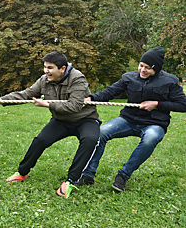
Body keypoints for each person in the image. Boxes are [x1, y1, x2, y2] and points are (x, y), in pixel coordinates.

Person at [0, 51, 100, 198]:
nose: (46, 71)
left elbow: (75, 106)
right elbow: (25, 94)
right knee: (40, 140)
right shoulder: (44, 80)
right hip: (61, 120)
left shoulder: (78, 78)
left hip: (85, 119)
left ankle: (70, 181)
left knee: (89, 140)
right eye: (45, 67)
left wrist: (47, 105)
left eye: (50, 68)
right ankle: (22, 173)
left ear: (62, 69)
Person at [79, 47, 186, 192]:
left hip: (154, 123)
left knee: (150, 138)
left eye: (148, 68)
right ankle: (87, 175)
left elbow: (183, 104)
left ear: (157, 69)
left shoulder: (170, 81)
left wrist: (157, 104)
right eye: (141, 65)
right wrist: (91, 98)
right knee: (101, 132)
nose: (142, 70)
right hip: (127, 120)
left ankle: (123, 176)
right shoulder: (129, 77)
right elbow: (111, 91)